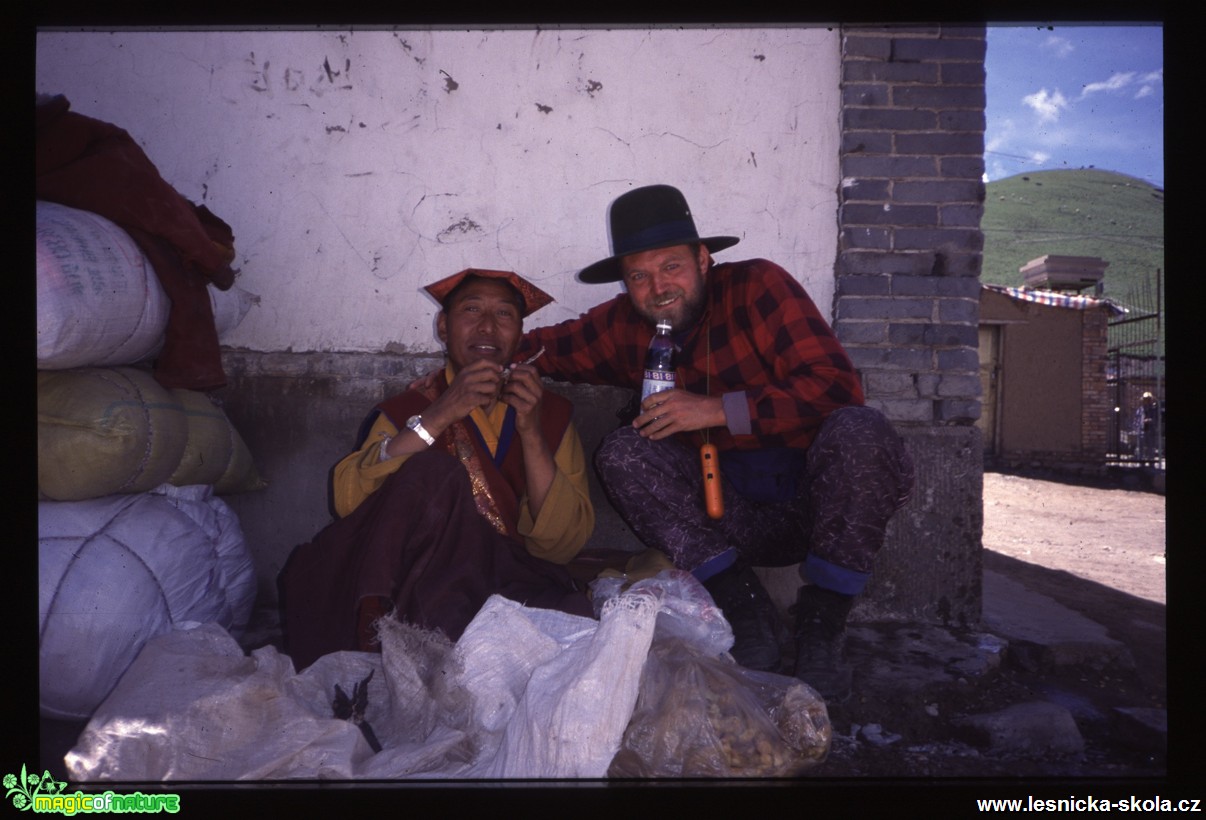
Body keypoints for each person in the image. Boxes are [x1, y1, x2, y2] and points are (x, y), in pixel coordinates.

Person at [515, 185, 915, 700]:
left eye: (671, 266)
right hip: (725, 518)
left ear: (703, 260)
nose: (658, 287)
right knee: (622, 452)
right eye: (639, 275)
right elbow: (538, 350)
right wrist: (470, 361)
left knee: (862, 432)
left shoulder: (759, 286)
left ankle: (823, 625)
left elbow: (836, 388)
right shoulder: (623, 325)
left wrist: (718, 409)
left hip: (819, 509)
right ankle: (745, 608)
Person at [279, 269, 595, 671]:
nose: (487, 326)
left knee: (574, 622)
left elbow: (560, 547)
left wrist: (531, 431)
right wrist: (440, 414)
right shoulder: (407, 410)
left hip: (506, 580)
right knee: (433, 473)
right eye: (471, 310)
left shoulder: (550, 413)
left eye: (504, 315)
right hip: (424, 580)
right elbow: (348, 504)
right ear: (443, 326)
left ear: (518, 335)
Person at [1133, 391, 1160, 462]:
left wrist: (1150, 420)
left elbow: (1157, 419)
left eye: (1148, 399)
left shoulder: (1154, 409)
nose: (1146, 401)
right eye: (1145, 399)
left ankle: (1151, 461)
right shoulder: (1140, 409)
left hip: (1151, 430)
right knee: (1140, 447)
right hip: (1141, 430)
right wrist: (1136, 427)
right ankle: (1141, 461)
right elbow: (1136, 419)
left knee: (1150, 447)